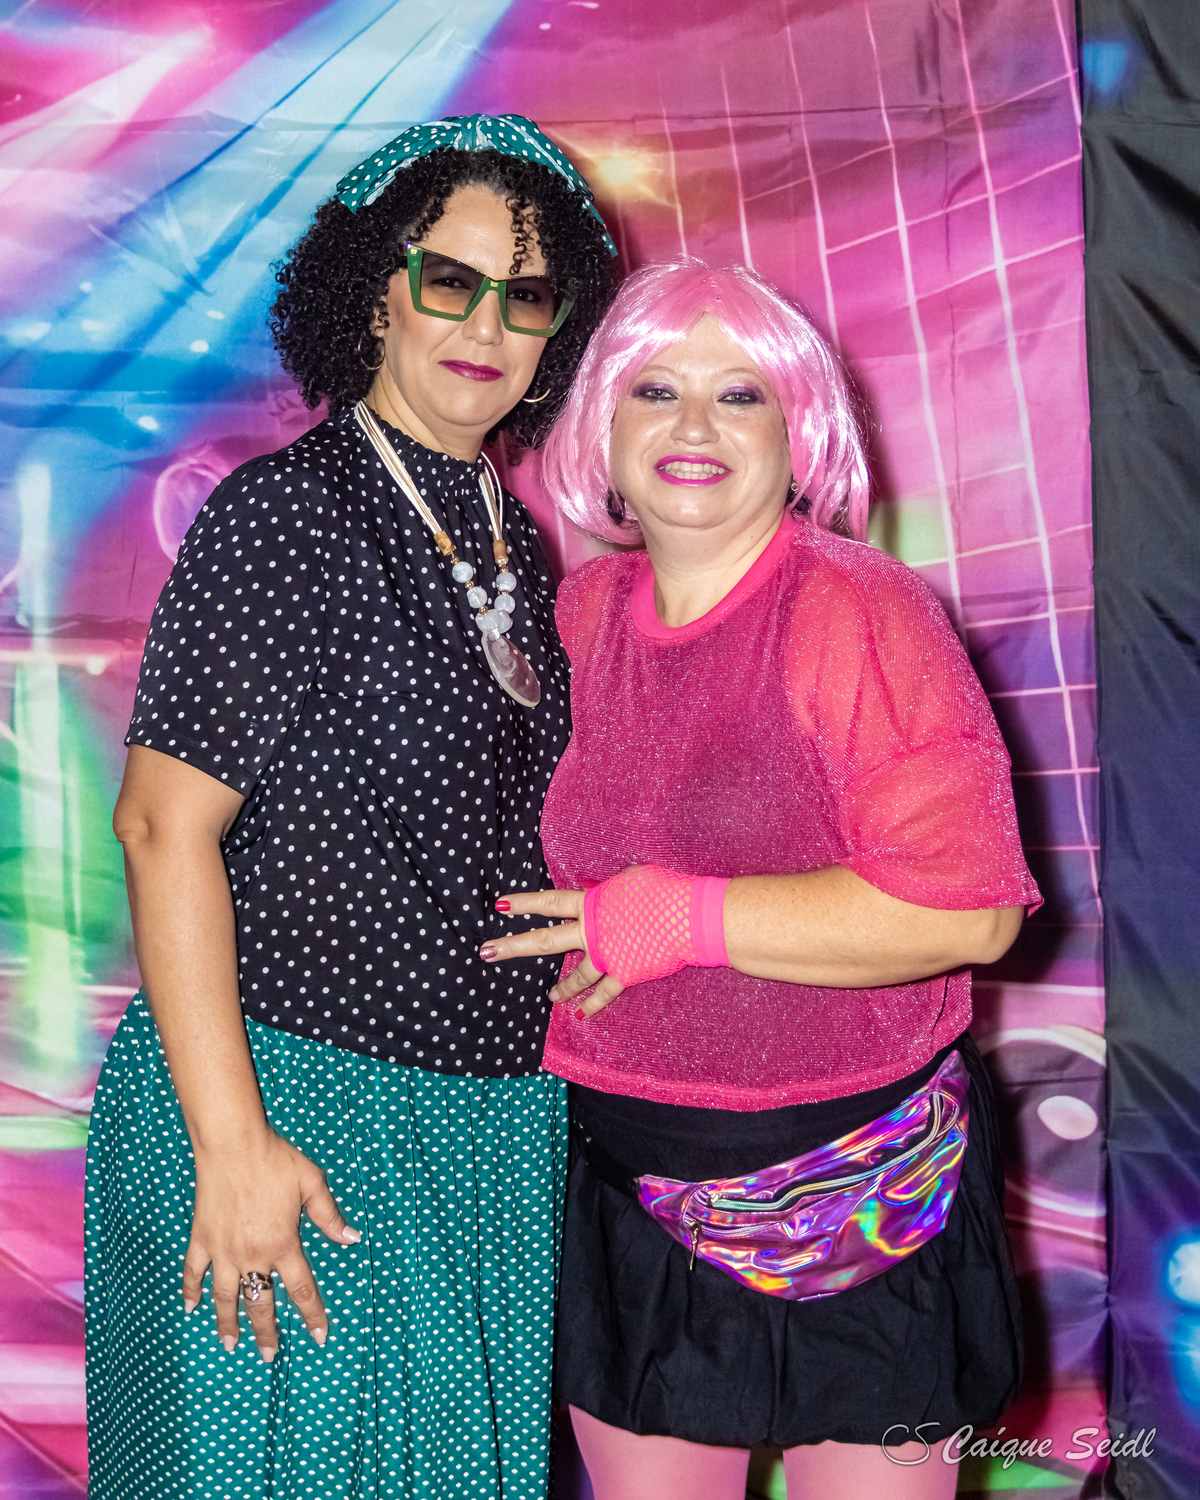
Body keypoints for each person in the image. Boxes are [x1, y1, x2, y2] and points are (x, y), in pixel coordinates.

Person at [84, 115, 618, 1500]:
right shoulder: (291, 515)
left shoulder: (513, 542)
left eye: (526, 295)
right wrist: (232, 1145)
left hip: (488, 1131)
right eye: (450, 280)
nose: (485, 324)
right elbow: (161, 827)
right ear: (375, 288)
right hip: (288, 1103)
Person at [482, 260, 1042, 1500]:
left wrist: (681, 917)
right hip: (628, 1192)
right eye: (655, 389)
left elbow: (973, 909)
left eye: (740, 395)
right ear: (601, 427)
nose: (693, 424)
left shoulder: (857, 610)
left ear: (799, 434)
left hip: (863, 1198)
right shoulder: (578, 615)